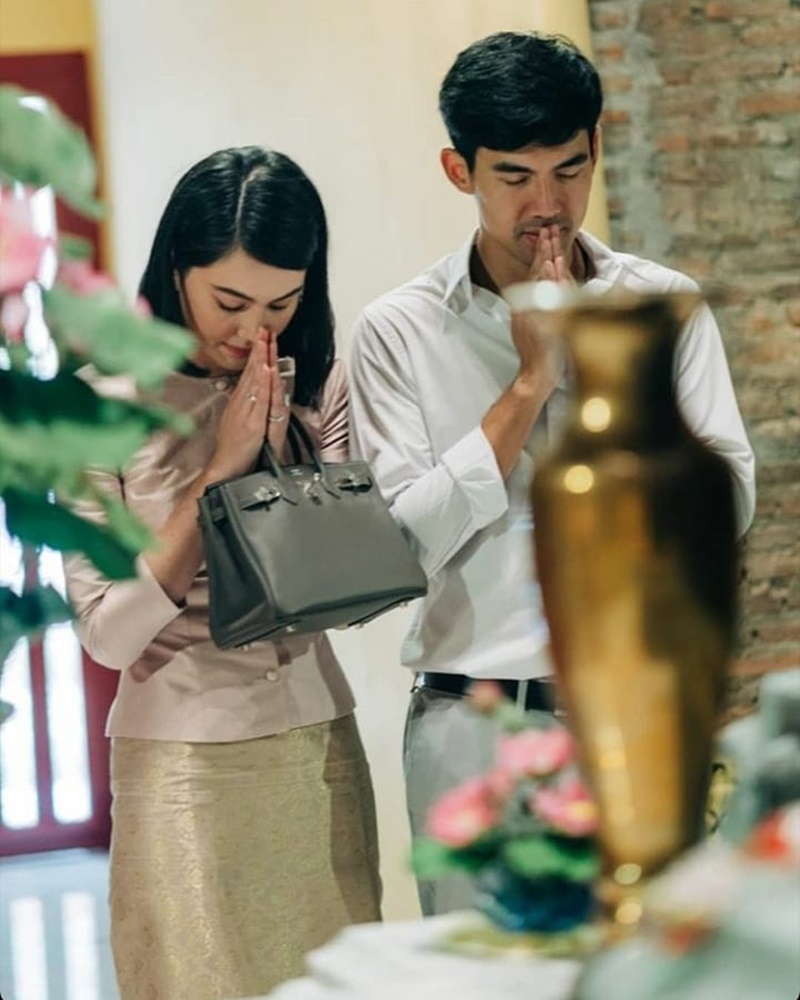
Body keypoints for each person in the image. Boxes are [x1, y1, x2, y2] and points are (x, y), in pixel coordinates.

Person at [348, 31, 756, 916]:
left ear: (596, 148)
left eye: (569, 170)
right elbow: (402, 542)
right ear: (459, 170)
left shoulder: (662, 306)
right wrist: (530, 384)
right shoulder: (397, 331)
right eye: (515, 177)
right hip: (470, 728)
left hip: (640, 718)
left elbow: (726, 502)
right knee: (479, 972)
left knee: (653, 966)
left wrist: (617, 403)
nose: (548, 204)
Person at [64, 146, 382, 999]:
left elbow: (340, 590)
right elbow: (108, 636)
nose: (254, 332)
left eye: (283, 303)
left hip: (316, 743)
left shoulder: (318, 387)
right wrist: (220, 477)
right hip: (181, 760)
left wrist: (280, 458)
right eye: (230, 303)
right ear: (177, 270)